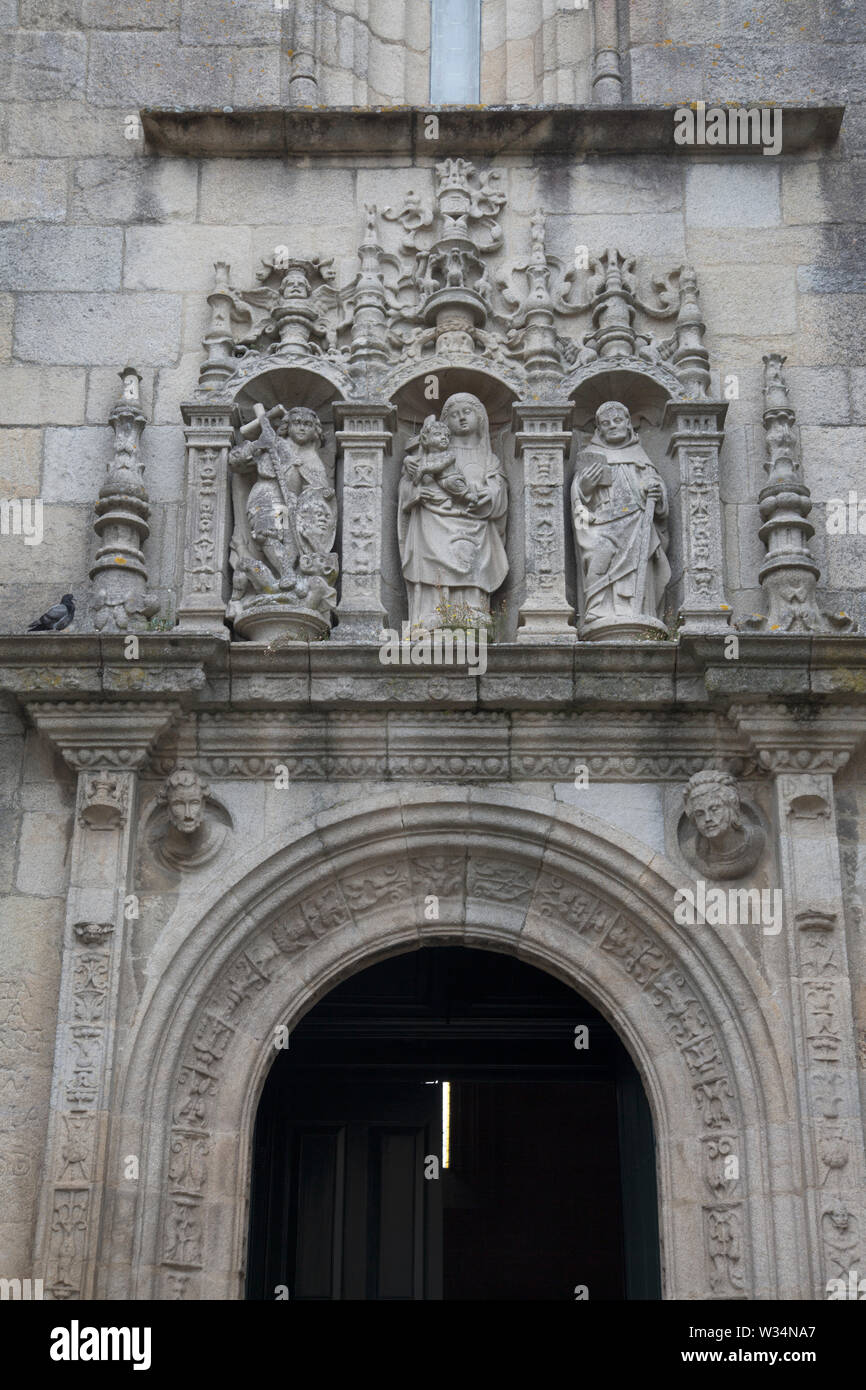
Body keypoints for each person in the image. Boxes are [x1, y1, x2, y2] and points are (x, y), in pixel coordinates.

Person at [398, 392, 508, 631]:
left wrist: (488, 495)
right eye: (454, 415)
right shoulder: (425, 453)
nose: (461, 418)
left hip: (474, 522)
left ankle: (472, 614)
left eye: (467, 412)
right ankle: (430, 616)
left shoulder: (489, 459)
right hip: (433, 520)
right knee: (433, 567)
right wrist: (415, 494)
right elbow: (407, 485)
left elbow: (498, 491)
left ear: (480, 418)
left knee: (472, 563)